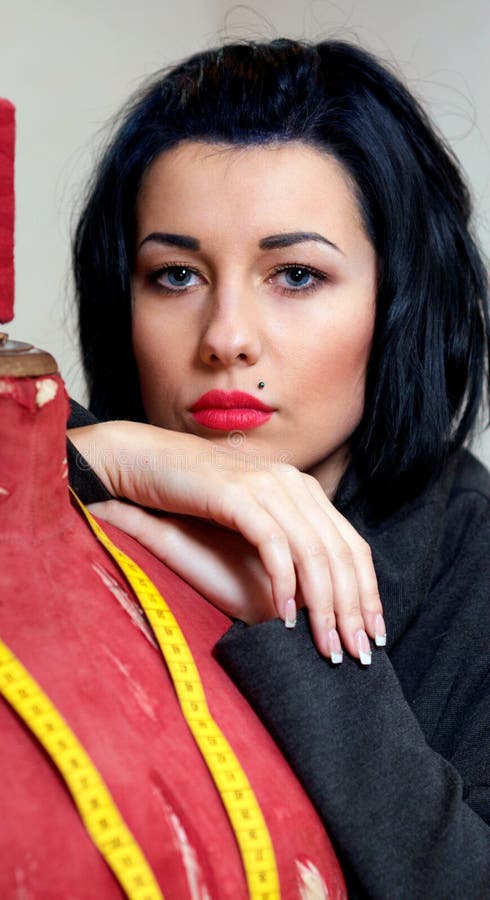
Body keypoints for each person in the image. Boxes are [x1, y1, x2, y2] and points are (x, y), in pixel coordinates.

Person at [65, 38, 490, 897]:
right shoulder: (74, 482)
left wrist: (293, 632)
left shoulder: (475, 563)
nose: (226, 337)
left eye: (295, 274)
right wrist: (114, 452)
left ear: (400, 299)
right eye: (176, 275)